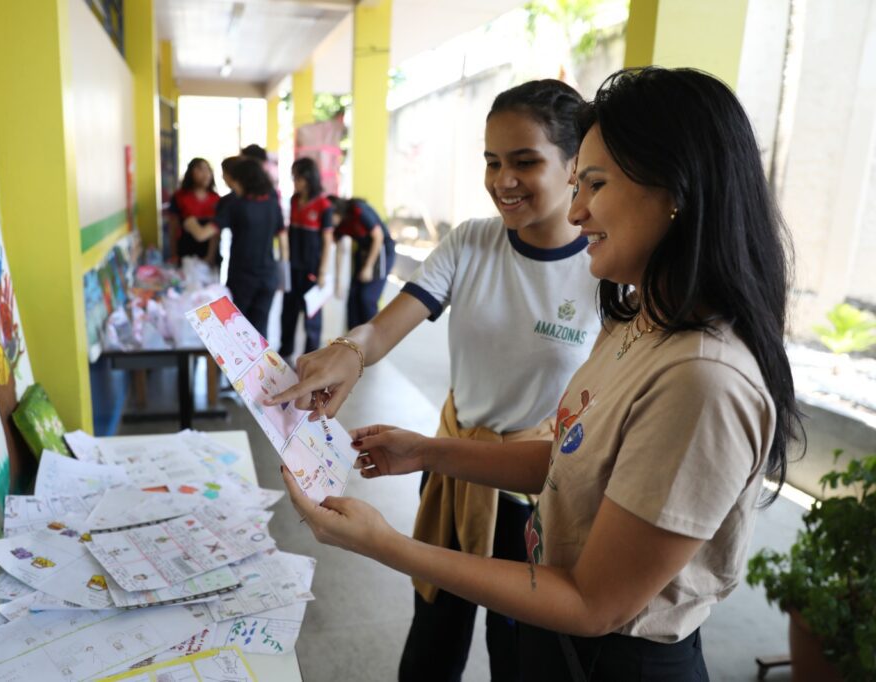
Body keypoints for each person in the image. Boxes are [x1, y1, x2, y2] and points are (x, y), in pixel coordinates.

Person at [281, 67, 802, 680]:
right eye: (491, 161)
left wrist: (382, 543)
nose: (579, 210)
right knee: (435, 644)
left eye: (594, 183)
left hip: (612, 659)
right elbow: (569, 456)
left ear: (676, 192)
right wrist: (424, 447)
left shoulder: (704, 381)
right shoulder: (635, 319)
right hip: (558, 620)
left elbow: (593, 602)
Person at [268, 80, 601, 681]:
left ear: (576, 164)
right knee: (432, 640)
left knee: (519, 653)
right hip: (451, 467)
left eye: (525, 161)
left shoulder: (604, 269)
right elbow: (382, 328)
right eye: (492, 162)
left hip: (540, 497)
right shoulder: (473, 241)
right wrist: (347, 351)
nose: (504, 180)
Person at [188, 157, 283, 337]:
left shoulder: (236, 204)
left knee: (237, 330)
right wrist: (283, 272)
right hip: (268, 276)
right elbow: (283, 237)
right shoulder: (272, 202)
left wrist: (190, 222)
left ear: (243, 181)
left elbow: (203, 234)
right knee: (260, 331)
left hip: (243, 278)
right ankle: (263, 365)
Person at [279, 157, 335, 358]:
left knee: (312, 315)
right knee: (288, 311)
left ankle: (311, 356)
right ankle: (286, 350)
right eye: (294, 177)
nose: (295, 182)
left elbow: (327, 241)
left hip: (312, 268)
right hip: (293, 266)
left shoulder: (324, 205)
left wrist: (322, 272)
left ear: (309, 178)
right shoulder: (294, 200)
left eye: (299, 178)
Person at [330, 195, 397, 328]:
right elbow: (339, 250)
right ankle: (352, 342)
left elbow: (378, 237)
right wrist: (338, 281)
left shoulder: (357, 210)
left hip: (381, 250)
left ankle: (374, 339)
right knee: (353, 298)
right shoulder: (339, 225)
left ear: (336, 211)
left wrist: (368, 267)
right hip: (363, 253)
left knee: (367, 298)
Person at [167, 157, 220, 267]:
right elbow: (173, 228)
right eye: (200, 169)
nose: (205, 174)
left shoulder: (217, 199)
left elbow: (217, 231)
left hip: (210, 255)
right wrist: (174, 254)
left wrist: (210, 256)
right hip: (186, 252)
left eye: (208, 169)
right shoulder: (179, 197)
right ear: (190, 173)